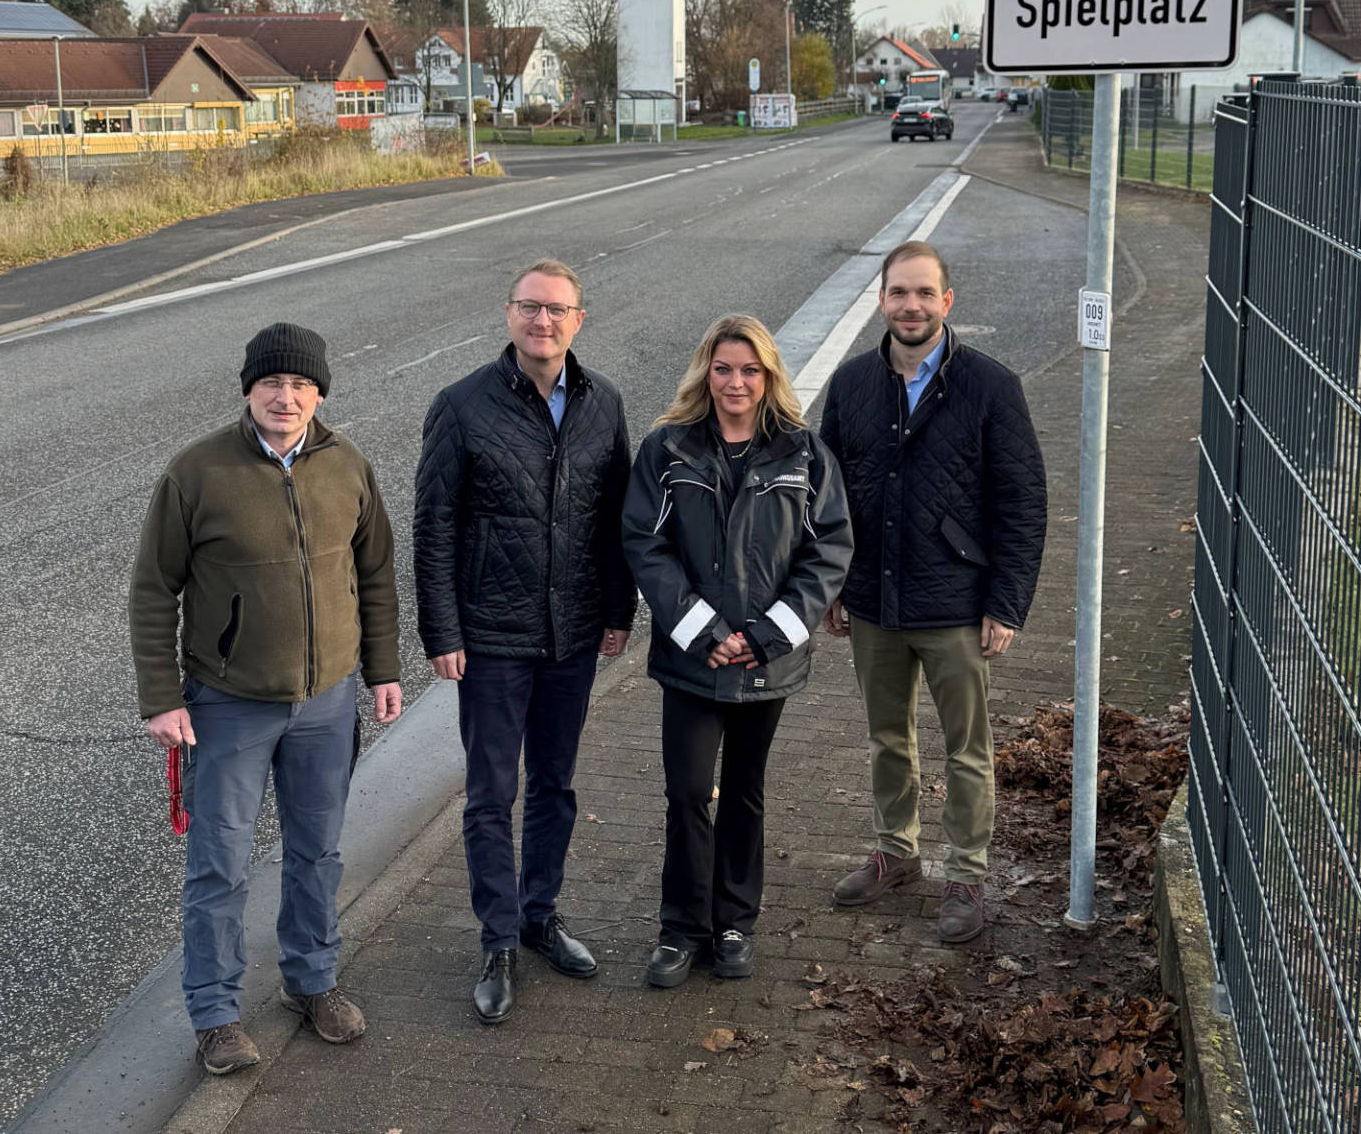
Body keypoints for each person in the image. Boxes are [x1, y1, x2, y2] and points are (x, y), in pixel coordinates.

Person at [129, 323, 402, 1077]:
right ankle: (216, 1014)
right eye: (271, 384)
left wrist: (383, 670)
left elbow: (375, 572)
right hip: (228, 704)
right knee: (220, 864)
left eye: (301, 385)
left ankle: (311, 982)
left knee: (318, 851)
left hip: (326, 698)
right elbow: (154, 588)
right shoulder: (197, 472)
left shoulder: (346, 464)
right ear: (248, 389)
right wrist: (161, 697)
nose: (287, 397)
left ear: (320, 392)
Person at [414, 259, 636, 1025]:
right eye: (529, 307)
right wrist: (441, 629)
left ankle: (542, 915)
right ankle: (498, 937)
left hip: (572, 633)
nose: (543, 322)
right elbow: (434, 524)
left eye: (557, 310)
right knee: (489, 794)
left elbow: (617, 520)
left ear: (580, 319)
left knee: (555, 783)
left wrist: (619, 608)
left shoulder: (604, 402)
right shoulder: (462, 406)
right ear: (508, 314)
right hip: (491, 636)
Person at [821, 240, 1048, 943]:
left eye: (924, 293)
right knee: (887, 736)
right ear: (881, 300)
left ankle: (967, 873)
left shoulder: (989, 385)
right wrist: (830, 583)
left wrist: (1005, 601)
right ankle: (897, 851)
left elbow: (1023, 499)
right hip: (873, 602)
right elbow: (824, 497)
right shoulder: (852, 384)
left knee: (966, 747)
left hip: (956, 601)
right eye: (898, 293)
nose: (911, 305)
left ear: (947, 302)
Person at [623, 314, 854, 988]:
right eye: (724, 368)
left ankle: (733, 923)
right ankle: (681, 926)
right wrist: (701, 627)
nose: (736, 381)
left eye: (750, 370)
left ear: (769, 376)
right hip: (692, 657)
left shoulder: (803, 453)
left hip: (766, 660)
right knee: (689, 790)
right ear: (706, 372)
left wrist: (764, 634)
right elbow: (645, 543)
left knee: (745, 791)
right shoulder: (668, 450)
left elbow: (829, 549)